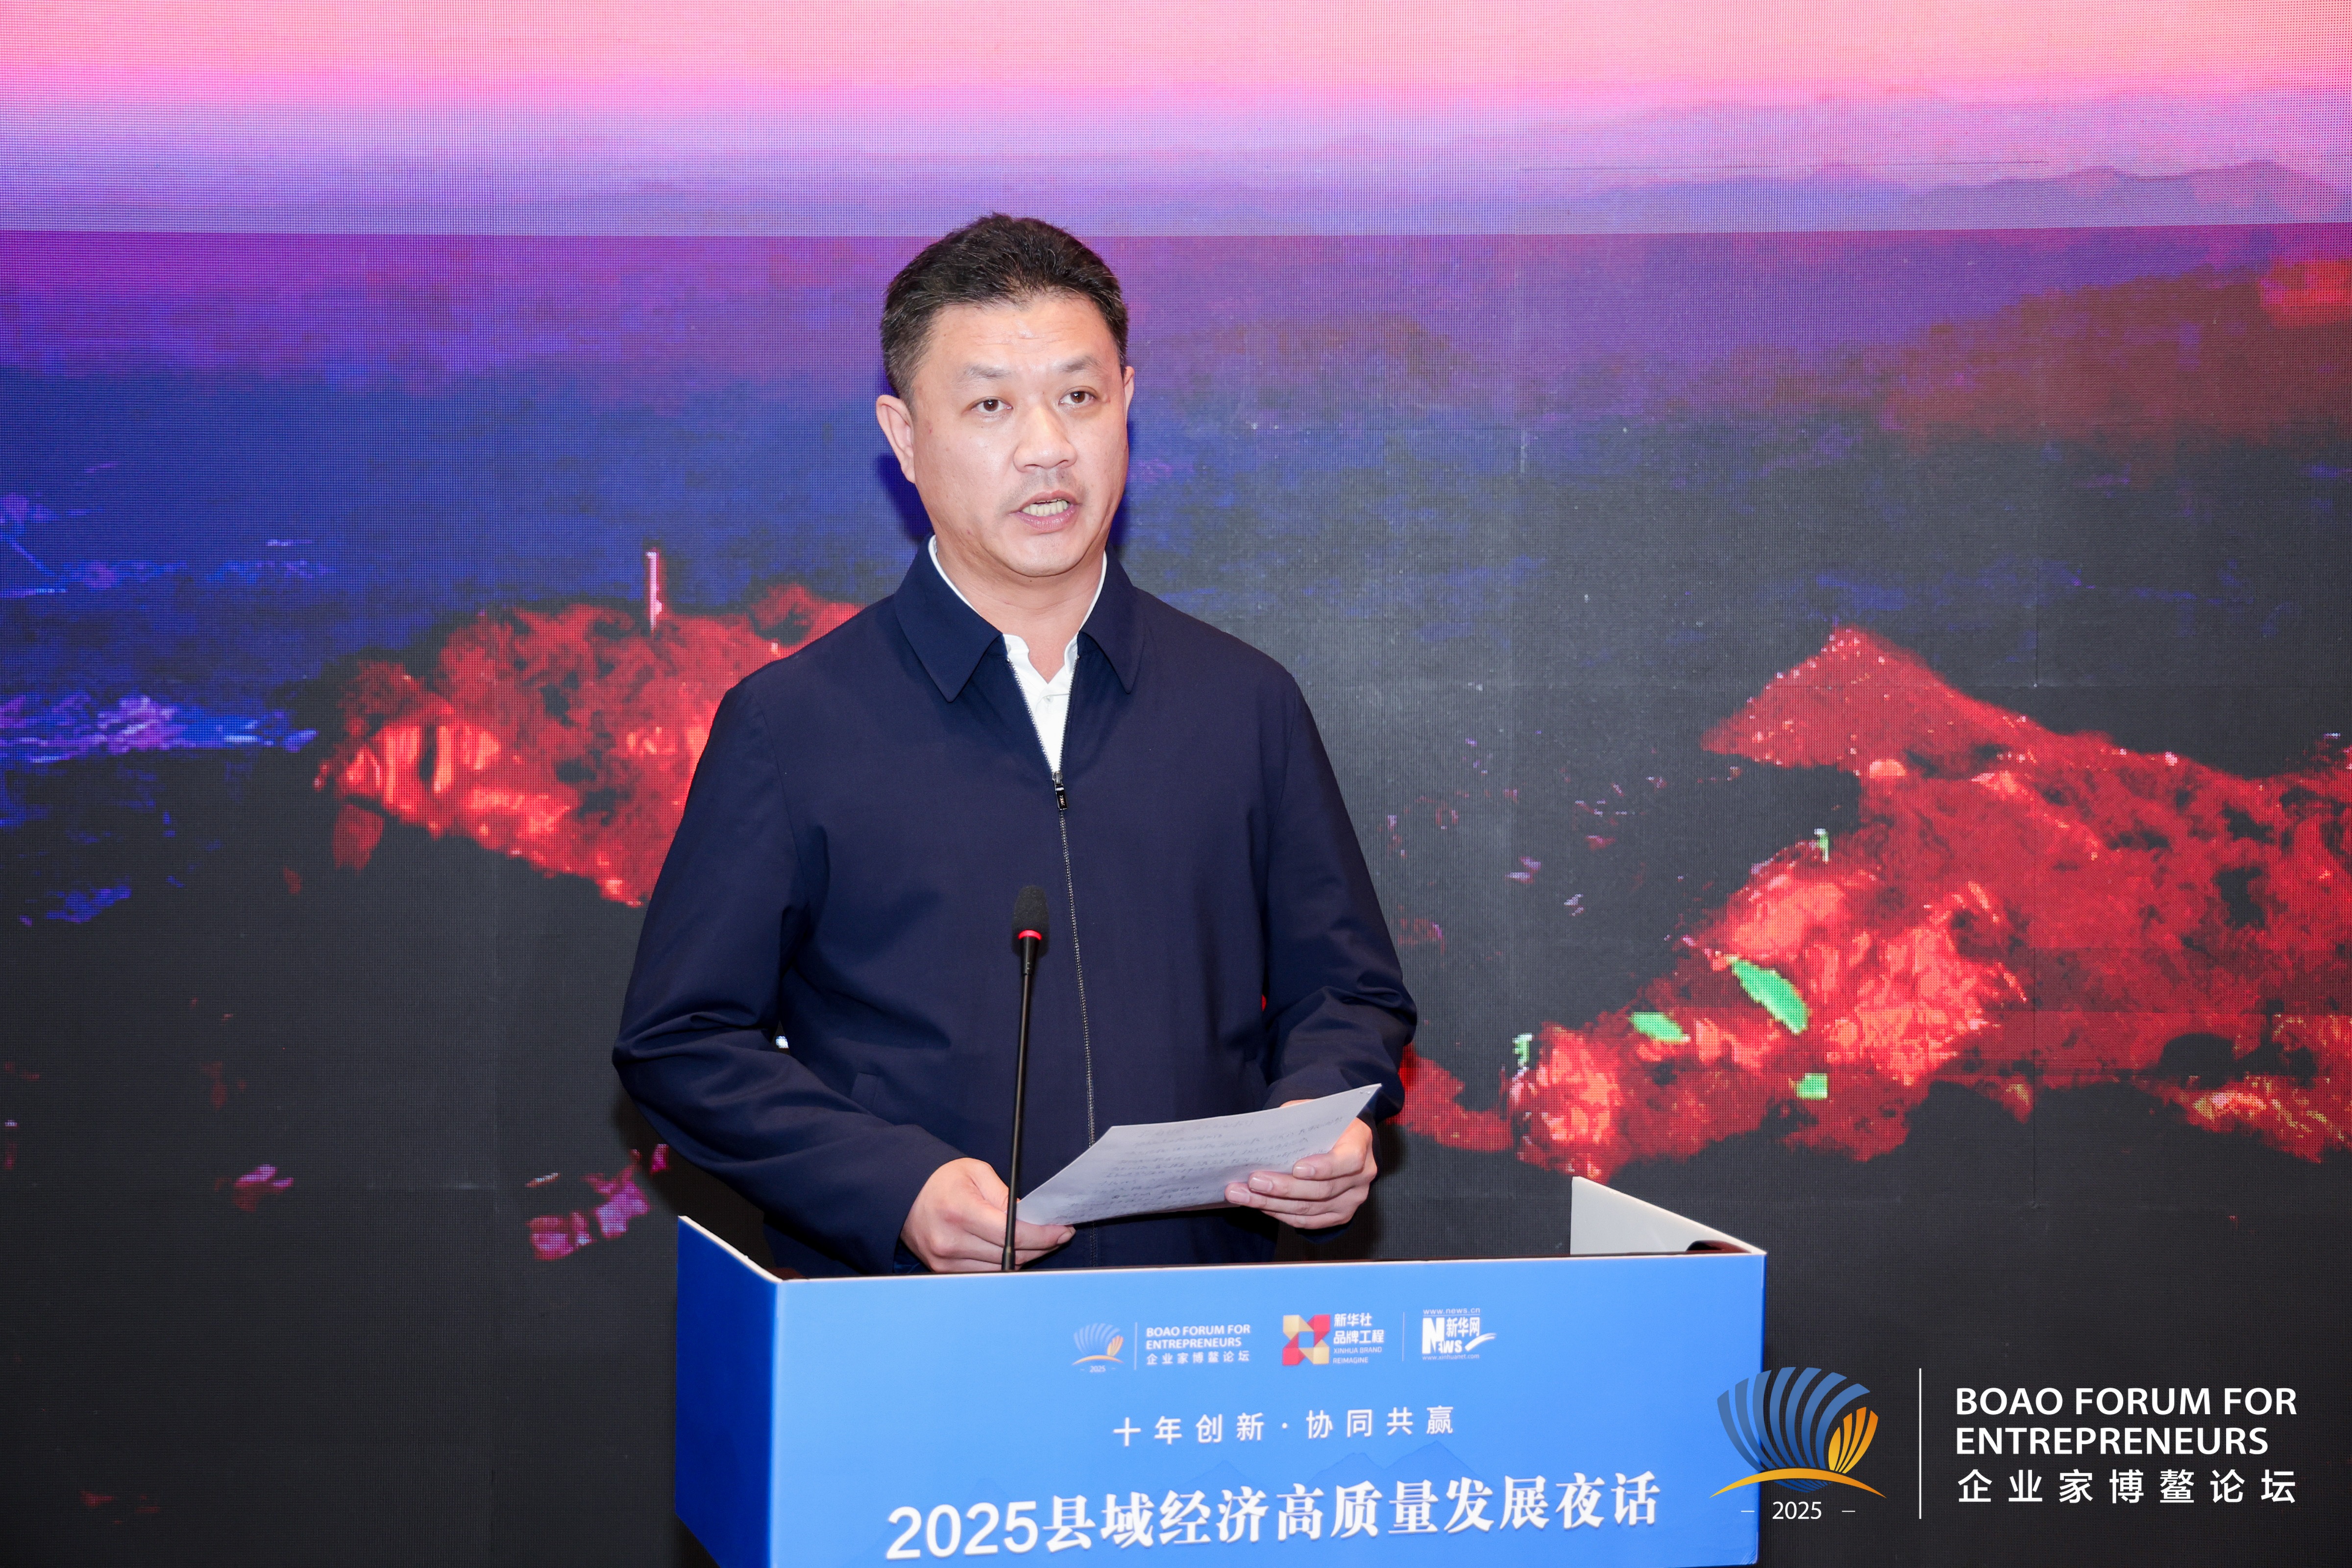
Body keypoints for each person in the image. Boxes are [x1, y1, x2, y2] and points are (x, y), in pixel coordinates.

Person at [613, 215, 1413, 1277]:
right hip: (911, 1330)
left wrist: (1321, 1113)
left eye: (1079, 397)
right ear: (905, 437)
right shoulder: (792, 723)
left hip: (1190, 1320)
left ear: (1127, 401)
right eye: (990, 405)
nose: (1048, 447)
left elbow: (1347, 991)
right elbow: (683, 1039)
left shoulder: (1243, 703)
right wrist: (892, 1186)